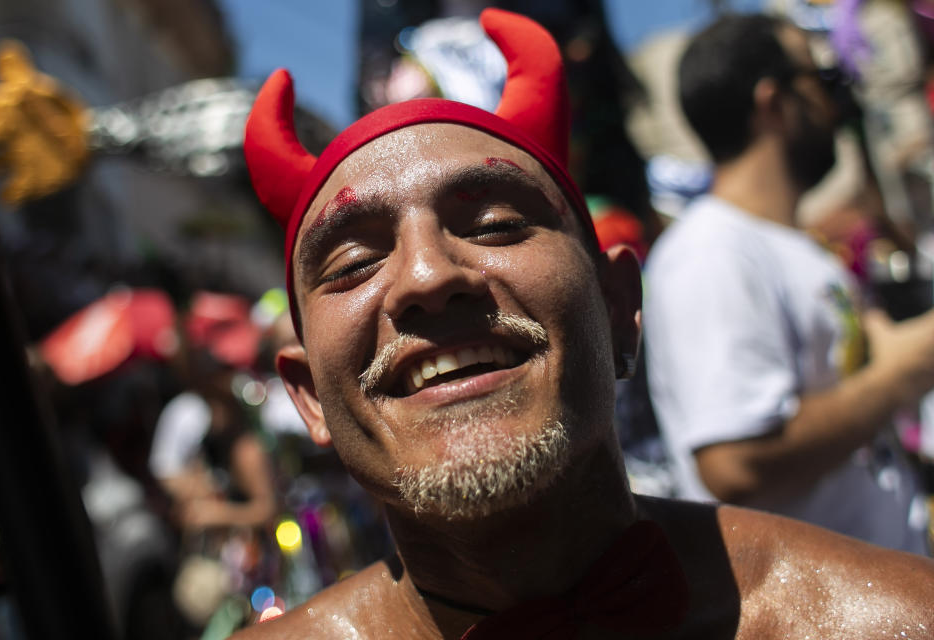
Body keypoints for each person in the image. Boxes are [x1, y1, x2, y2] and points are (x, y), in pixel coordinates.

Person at [233, 9, 934, 638]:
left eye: (497, 224)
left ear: (619, 309)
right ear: (308, 396)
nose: (427, 277)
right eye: (355, 262)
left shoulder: (892, 621)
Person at [644, 12, 934, 554]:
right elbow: (735, 462)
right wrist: (909, 368)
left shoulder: (788, 246)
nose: (835, 101)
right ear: (773, 101)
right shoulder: (711, 251)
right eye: (820, 80)